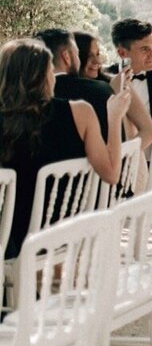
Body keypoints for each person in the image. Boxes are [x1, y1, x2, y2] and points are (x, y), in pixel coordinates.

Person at [0, 38, 132, 260]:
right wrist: (114, 117)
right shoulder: (80, 113)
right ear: (41, 76)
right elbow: (111, 173)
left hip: (11, 241)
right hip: (66, 233)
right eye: (51, 70)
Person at [33, 28, 152, 152]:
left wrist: (123, 159)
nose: (97, 61)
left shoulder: (115, 84)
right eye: (88, 55)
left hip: (125, 163)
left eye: (97, 54)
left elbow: (149, 132)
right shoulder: (57, 90)